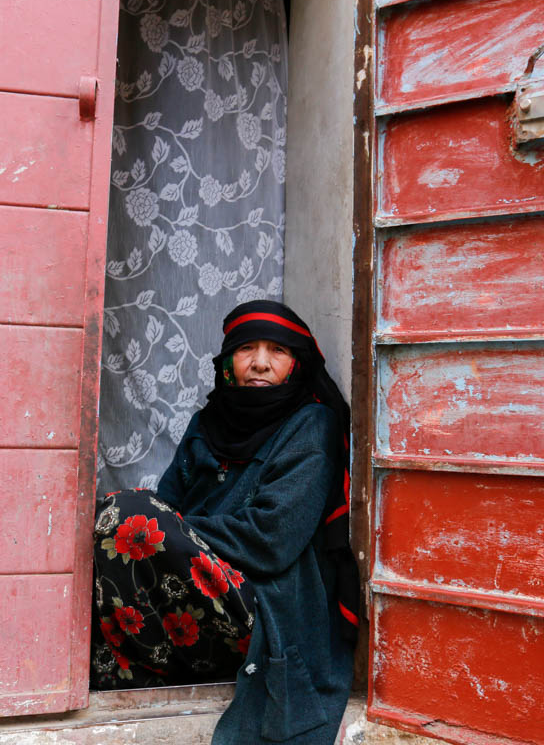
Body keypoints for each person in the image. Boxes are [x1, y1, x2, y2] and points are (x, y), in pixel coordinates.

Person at [91, 300, 358, 744]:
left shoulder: (312, 424)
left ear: (297, 364)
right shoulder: (206, 423)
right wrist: (169, 531)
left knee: (132, 516)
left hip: (262, 605)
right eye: (246, 349)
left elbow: (271, 540)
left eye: (277, 351)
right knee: (109, 526)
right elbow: (167, 511)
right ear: (227, 362)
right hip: (200, 597)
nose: (259, 362)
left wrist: (177, 531)